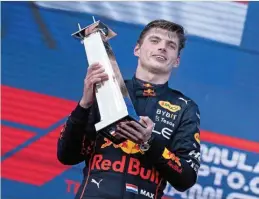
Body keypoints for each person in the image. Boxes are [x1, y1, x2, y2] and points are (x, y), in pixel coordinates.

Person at [58, 19, 201, 199]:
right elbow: (66, 155)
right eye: (155, 40)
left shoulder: (185, 108)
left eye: (171, 45)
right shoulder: (105, 89)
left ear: (177, 61)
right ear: (137, 50)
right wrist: (84, 105)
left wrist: (149, 143)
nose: (162, 47)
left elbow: (186, 178)